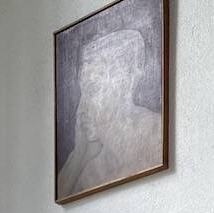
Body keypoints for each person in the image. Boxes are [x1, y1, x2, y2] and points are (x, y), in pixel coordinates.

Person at [58, 27, 162, 200]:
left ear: (123, 85)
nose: (82, 106)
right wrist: (78, 153)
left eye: (93, 89)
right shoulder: (93, 167)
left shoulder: (156, 133)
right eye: (83, 91)